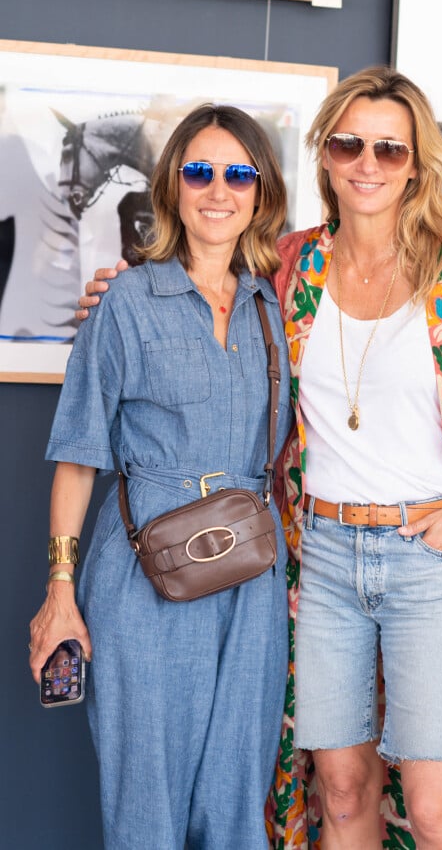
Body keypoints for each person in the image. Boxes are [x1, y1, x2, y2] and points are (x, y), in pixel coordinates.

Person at [77, 67, 442, 850]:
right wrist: (125, 284)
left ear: (416, 164)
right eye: (349, 144)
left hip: (426, 558)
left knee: (441, 807)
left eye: (390, 150)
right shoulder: (292, 266)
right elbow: (203, 279)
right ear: (325, 155)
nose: (367, 163)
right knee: (341, 794)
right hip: (325, 558)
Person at [29, 103, 292, 850]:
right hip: (144, 577)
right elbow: (78, 456)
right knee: (147, 804)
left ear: (261, 192)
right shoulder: (126, 300)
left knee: (238, 803)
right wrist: (60, 593)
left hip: (251, 582)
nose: (218, 189)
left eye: (238, 173)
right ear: (173, 185)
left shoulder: (274, 306)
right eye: (198, 170)